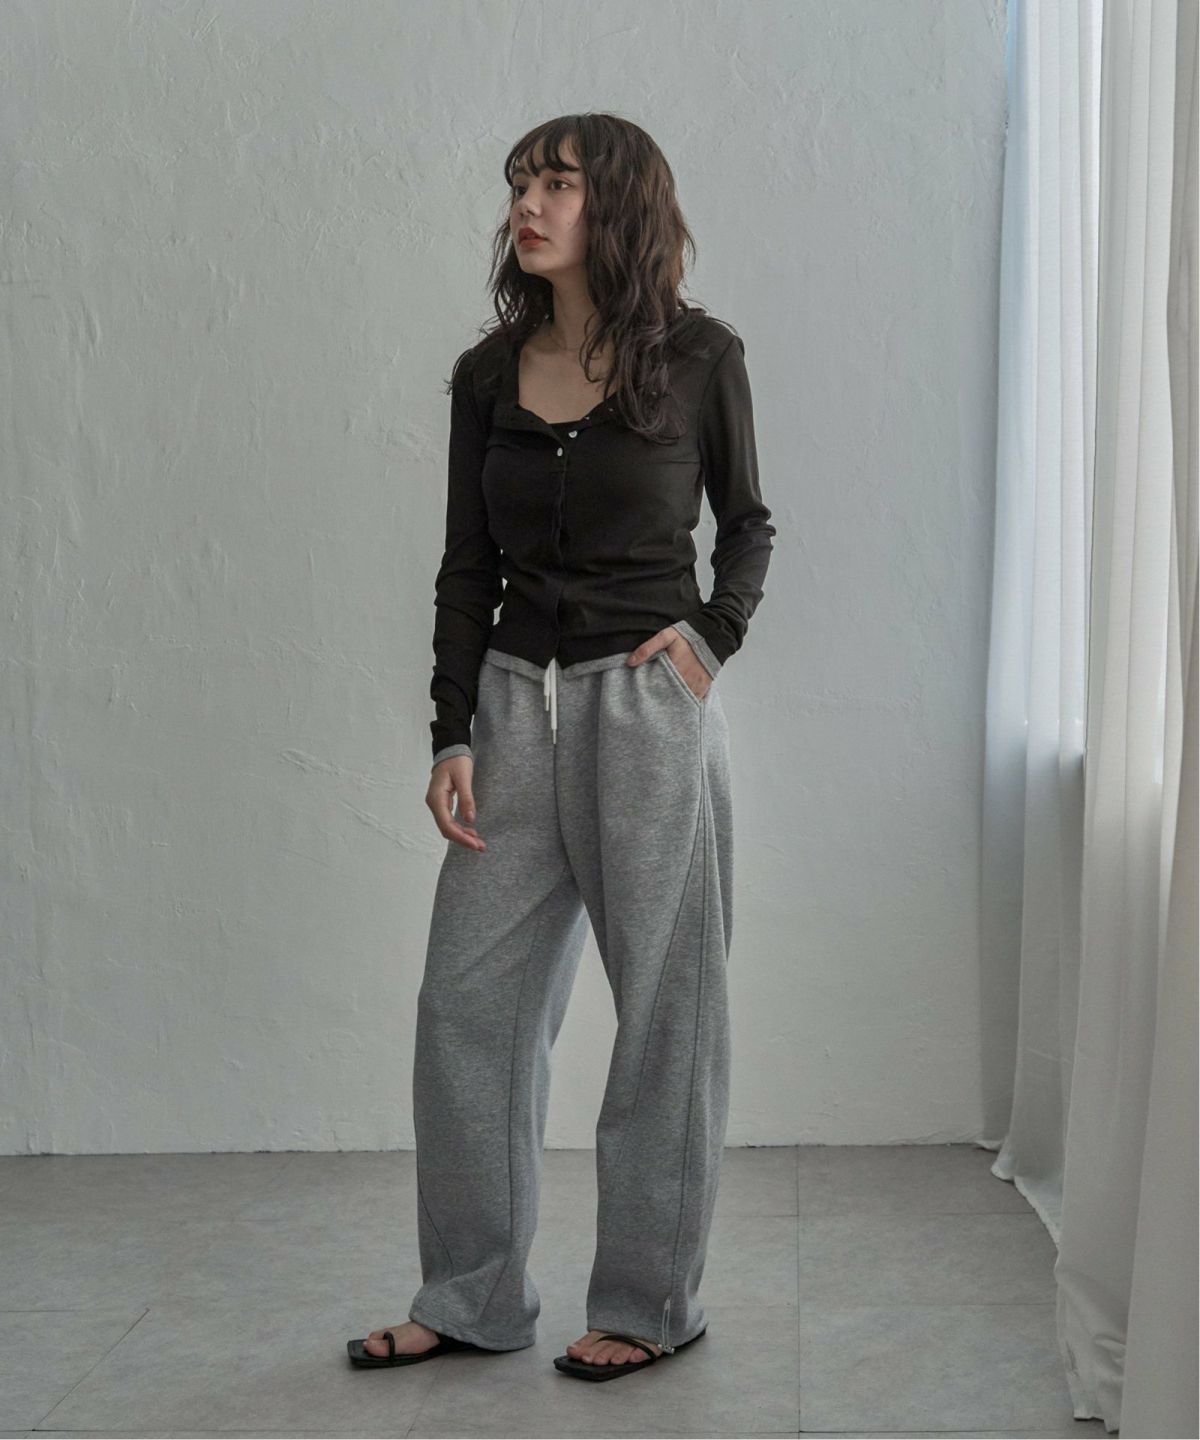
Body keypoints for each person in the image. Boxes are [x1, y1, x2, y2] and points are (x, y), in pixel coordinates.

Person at [347, 112, 775, 1382]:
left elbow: (748, 524)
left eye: (558, 182)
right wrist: (450, 730)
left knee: (667, 1013)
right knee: (466, 1007)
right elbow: (465, 566)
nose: (527, 204)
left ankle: (648, 1303)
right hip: (511, 709)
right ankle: (470, 1295)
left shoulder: (700, 357)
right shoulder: (490, 372)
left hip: (646, 708)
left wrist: (712, 639)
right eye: (520, 184)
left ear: (618, 203)